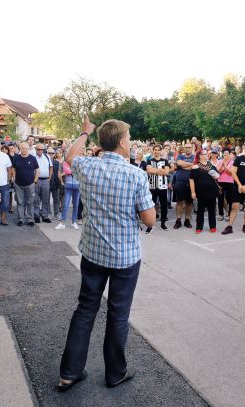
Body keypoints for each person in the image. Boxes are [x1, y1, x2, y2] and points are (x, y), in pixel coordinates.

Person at [58, 115, 155, 392]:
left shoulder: (88, 167)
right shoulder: (136, 174)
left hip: (93, 252)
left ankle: (69, 373)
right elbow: (149, 220)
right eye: (130, 138)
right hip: (125, 257)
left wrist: (84, 132)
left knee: (86, 309)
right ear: (123, 142)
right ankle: (115, 372)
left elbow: (70, 155)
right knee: (118, 314)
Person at [222, 142, 245, 235]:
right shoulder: (238, 159)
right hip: (237, 186)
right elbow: (233, 173)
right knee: (234, 206)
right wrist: (239, 185)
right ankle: (229, 226)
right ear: (243, 149)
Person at [189, 149, 219, 234]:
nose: (206, 155)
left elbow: (217, 176)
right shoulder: (195, 167)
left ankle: (213, 226)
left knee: (212, 210)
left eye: (206, 154)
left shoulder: (212, 166)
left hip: (212, 191)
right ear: (199, 156)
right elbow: (191, 180)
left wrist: (215, 175)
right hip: (201, 192)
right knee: (200, 210)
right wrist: (193, 192)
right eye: (204, 154)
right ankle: (199, 227)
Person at [11, 142, 39, 226]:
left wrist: (35, 181)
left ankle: (30, 219)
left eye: (26, 148)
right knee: (20, 202)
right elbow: (13, 168)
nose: (24, 150)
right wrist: (14, 178)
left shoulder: (32, 158)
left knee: (30, 202)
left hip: (30, 184)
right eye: (22, 148)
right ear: (20, 149)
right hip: (18, 184)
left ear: (28, 149)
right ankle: (21, 219)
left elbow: (37, 170)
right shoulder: (16, 158)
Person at [146, 144, 171, 232]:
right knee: (151, 206)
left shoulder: (165, 161)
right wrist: (160, 170)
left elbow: (167, 172)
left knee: (164, 205)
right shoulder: (149, 161)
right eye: (155, 150)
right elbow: (149, 170)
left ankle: (163, 223)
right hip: (152, 186)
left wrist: (155, 170)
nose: (156, 151)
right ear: (153, 151)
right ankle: (150, 226)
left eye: (158, 150)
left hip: (163, 187)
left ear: (160, 151)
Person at [55, 154, 82, 230]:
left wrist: (70, 172)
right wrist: (62, 181)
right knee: (65, 204)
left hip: (77, 186)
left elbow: (81, 173)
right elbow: (61, 173)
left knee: (76, 205)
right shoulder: (64, 163)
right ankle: (62, 223)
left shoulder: (79, 163)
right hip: (68, 186)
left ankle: (74, 222)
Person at [173, 143, 195, 229]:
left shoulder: (194, 157)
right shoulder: (180, 156)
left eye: (189, 147)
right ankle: (178, 221)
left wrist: (183, 166)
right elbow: (179, 163)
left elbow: (193, 167)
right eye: (186, 147)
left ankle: (187, 220)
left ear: (192, 148)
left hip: (191, 183)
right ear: (184, 148)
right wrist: (189, 165)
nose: (188, 149)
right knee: (179, 202)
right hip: (180, 182)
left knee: (189, 203)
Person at [32, 143, 53, 223]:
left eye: (42, 149)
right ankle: (36, 215)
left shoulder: (47, 156)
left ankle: (44, 215)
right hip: (36, 180)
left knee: (46, 199)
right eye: (38, 149)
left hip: (45, 180)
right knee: (36, 199)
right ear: (36, 149)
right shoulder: (32, 157)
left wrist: (49, 178)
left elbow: (51, 167)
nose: (40, 151)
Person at [216, 149, 235, 221]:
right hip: (220, 181)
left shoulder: (233, 162)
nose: (226, 155)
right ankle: (221, 214)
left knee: (230, 198)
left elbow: (231, 172)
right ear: (222, 154)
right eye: (224, 153)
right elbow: (217, 172)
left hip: (230, 182)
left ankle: (229, 214)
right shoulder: (219, 161)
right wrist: (222, 166)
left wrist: (225, 166)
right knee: (220, 198)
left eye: (227, 153)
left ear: (230, 154)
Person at [50, 149, 64, 221]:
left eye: (52, 153)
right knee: (45, 199)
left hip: (56, 183)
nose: (51, 154)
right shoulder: (46, 161)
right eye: (49, 153)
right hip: (47, 182)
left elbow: (59, 173)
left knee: (56, 199)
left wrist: (60, 182)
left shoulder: (56, 162)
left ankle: (56, 214)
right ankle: (47, 214)